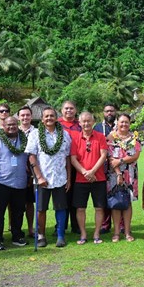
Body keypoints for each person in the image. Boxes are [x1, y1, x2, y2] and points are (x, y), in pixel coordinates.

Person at [26, 106, 72, 248]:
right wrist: (39, 177)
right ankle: (41, 236)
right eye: (46, 116)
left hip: (60, 177)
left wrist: (69, 178)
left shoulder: (64, 134)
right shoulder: (35, 134)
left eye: (52, 116)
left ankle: (60, 236)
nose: (49, 118)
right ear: (42, 119)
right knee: (41, 209)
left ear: (56, 117)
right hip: (43, 179)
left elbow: (68, 157)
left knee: (61, 208)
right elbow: (31, 157)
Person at [0, 116, 29, 250]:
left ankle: (17, 236)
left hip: (20, 182)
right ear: (3, 127)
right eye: (8, 125)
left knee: (18, 211)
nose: (11, 127)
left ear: (18, 125)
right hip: (1, 182)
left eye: (14, 124)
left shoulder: (25, 141)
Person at [70, 111, 109, 244]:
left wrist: (92, 171)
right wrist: (85, 172)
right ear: (79, 123)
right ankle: (83, 234)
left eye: (89, 121)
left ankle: (97, 234)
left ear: (93, 122)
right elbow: (73, 158)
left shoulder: (100, 137)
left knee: (99, 207)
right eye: (83, 121)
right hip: (81, 179)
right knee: (80, 208)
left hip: (98, 178)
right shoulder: (75, 138)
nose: (86, 123)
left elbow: (103, 155)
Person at [106, 113, 141, 242]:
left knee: (127, 203)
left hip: (130, 174)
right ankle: (116, 233)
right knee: (116, 202)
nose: (124, 124)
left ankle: (127, 232)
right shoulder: (110, 137)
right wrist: (119, 173)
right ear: (117, 123)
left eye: (126, 122)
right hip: (114, 174)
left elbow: (135, 156)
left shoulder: (134, 138)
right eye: (121, 122)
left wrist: (120, 160)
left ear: (129, 123)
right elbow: (109, 157)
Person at [59, 100, 81, 234]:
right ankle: (61, 225)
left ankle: (76, 225)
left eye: (71, 108)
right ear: (62, 110)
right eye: (66, 108)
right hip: (61, 166)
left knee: (76, 197)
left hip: (77, 166)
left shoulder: (80, 125)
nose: (69, 111)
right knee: (62, 197)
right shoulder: (57, 124)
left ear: (75, 110)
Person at [96, 103, 118, 233]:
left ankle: (120, 224)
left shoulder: (120, 125)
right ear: (103, 113)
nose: (109, 113)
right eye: (107, 111)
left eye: (111, 111)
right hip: (102, 167)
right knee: (103, 196)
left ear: (115, 112)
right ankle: (105, 224)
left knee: (118, 194)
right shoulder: (98, 127)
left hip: (118, 166)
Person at [18, 105, 37, 237]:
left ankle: (31, 228)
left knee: (30, 202)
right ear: (18, 117)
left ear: (31, 116)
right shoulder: (13, 131)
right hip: (16, 172)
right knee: (16, 203)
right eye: (22, 115)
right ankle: (16, 228)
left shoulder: (37, 132)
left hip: (32, 172)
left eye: (27, 115)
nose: (25, 117)